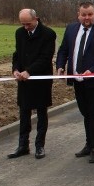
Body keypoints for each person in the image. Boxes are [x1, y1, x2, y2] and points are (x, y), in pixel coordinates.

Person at [56, 2, 94, 163]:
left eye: (90, 14)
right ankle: (88, 144)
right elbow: (63, 50)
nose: (87, 17)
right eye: (84, 14)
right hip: (77, 80)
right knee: (85, 113)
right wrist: (60, 66)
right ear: (79, 14)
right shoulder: (71, 29)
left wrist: (93, 70)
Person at [8, 8, 56, 160]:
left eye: (28, 24)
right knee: (24, 113)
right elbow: (17, 54)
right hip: (23, 80)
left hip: (41, 79)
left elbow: (45, 57)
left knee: (41, 113)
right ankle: (23, 145)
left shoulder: (48, 34)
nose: (26, 27)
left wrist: (29, 71)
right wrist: (16, 69)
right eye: (23, 24)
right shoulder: (20, 33)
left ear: (36, 19)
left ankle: (39, 145)